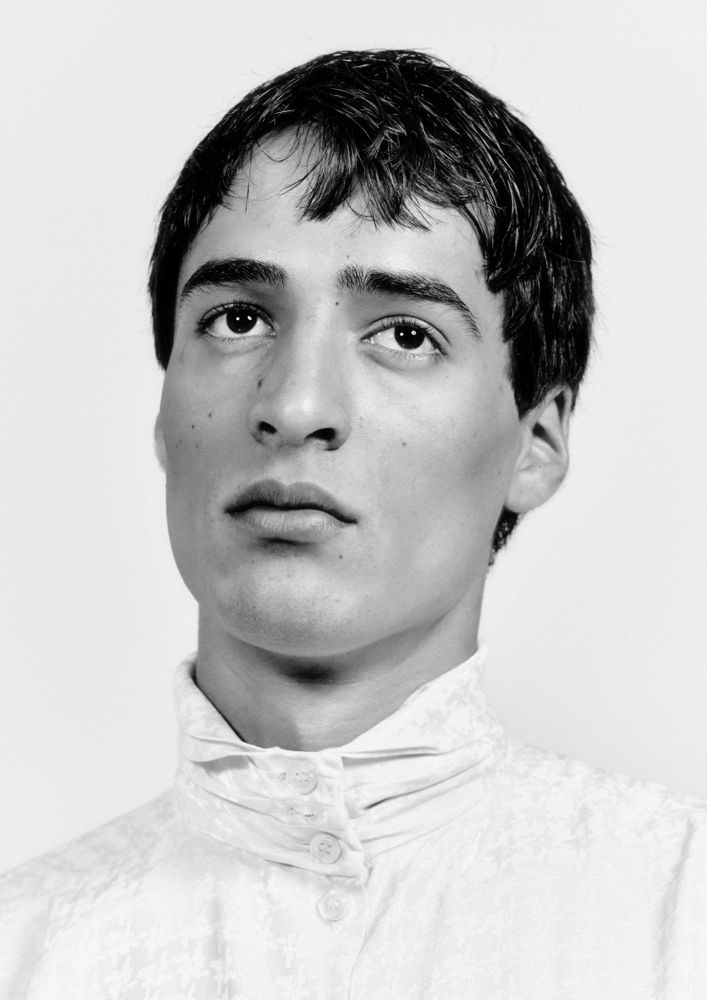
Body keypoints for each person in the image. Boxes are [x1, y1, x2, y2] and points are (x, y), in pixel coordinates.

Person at [1, 48, 704, 999]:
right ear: (164, 417)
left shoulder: (677, 914)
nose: (294, 407)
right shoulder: (23, 950)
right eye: (238, 319)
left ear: (535, 443)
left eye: (405, 334)